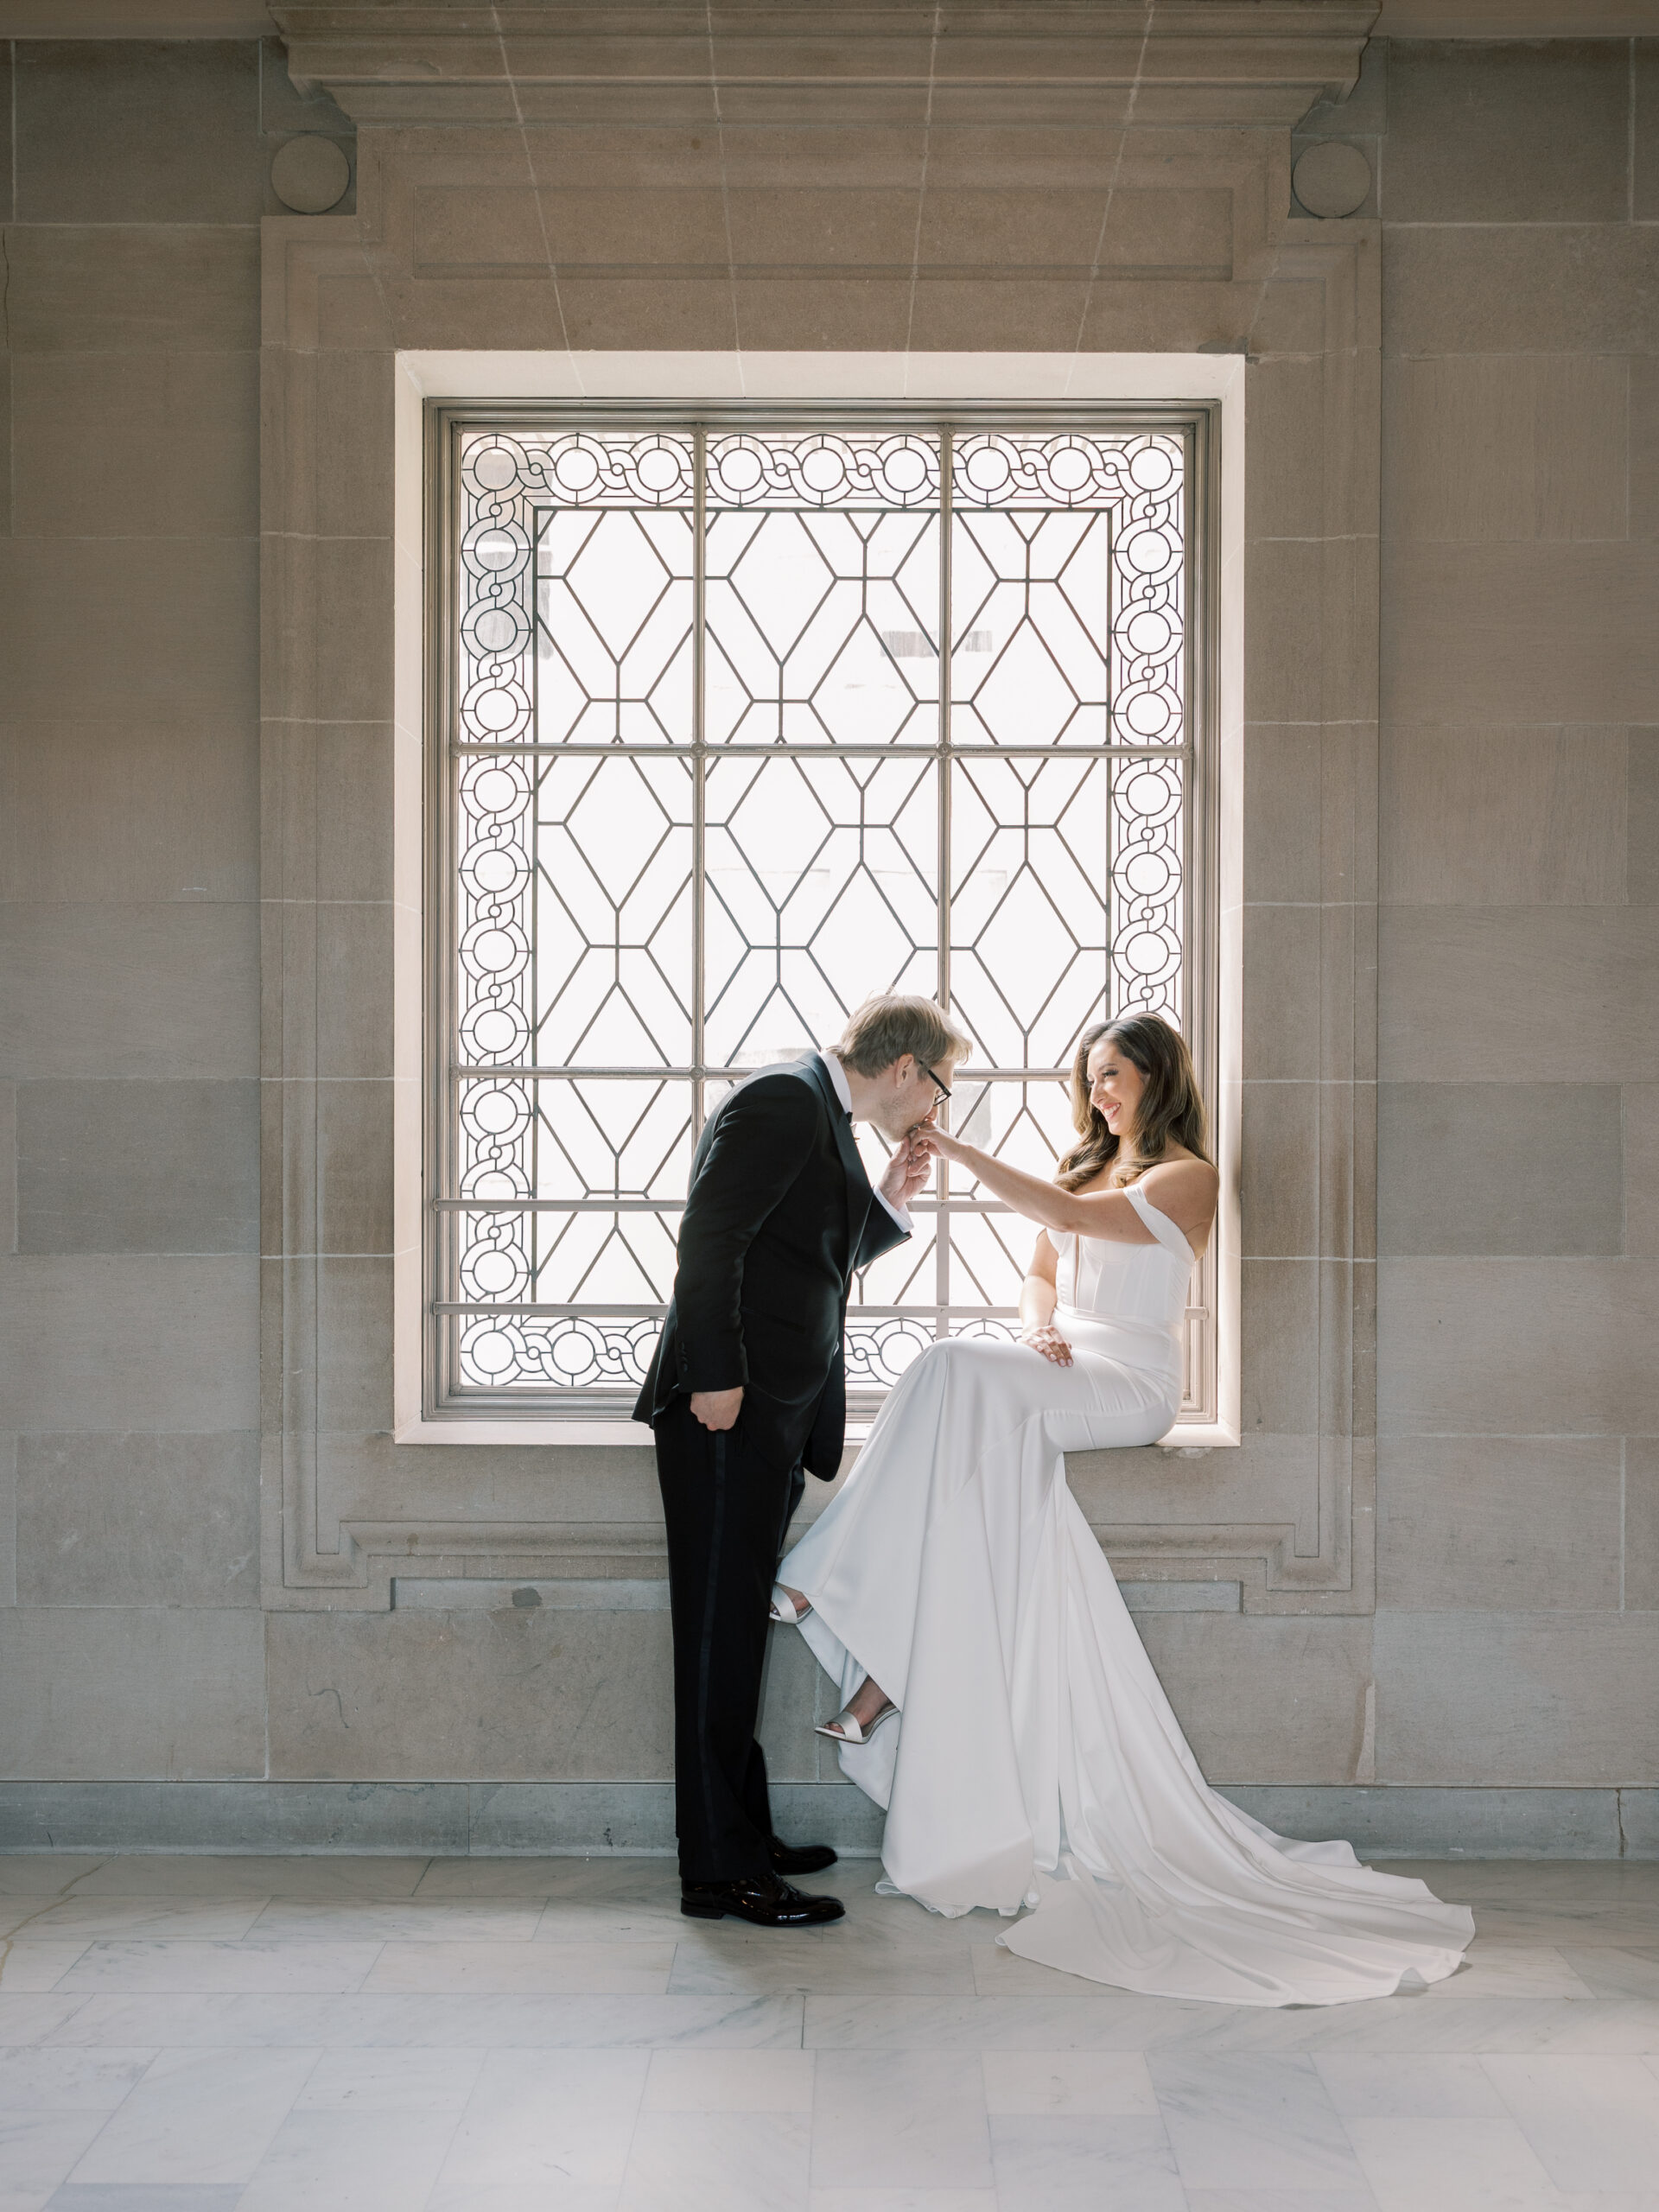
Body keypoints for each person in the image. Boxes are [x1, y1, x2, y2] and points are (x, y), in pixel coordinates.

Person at [773, 1012, 1475, 2005]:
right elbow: (1041, 1271)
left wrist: (959, 1148)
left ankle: (830, 1588)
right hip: (1067, 1362)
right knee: (953, 1392)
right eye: (1090, 1078)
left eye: (1112, 1076)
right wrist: (1043, 1327)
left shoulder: (1184, 1175)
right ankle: (880, 1666)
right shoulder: (1085, 1163)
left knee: (953, 1378)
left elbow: (1074, 1217)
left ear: (1155, 1077)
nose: (1097, 1093)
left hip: (1132, 1378)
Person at [635, 995, 968, 1929]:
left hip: (765, 1418)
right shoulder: (785, 1099)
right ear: (905, 1067)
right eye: (941, 1087)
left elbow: (808, 1260)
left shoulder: (820, 1111)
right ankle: (720, 1873)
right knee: (715, 1640)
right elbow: (711, 1239)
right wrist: (714, 1377)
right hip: (724, 1413)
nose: (938, 1108)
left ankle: (742, 1834)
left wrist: (891, 1199)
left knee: (733, 1633)